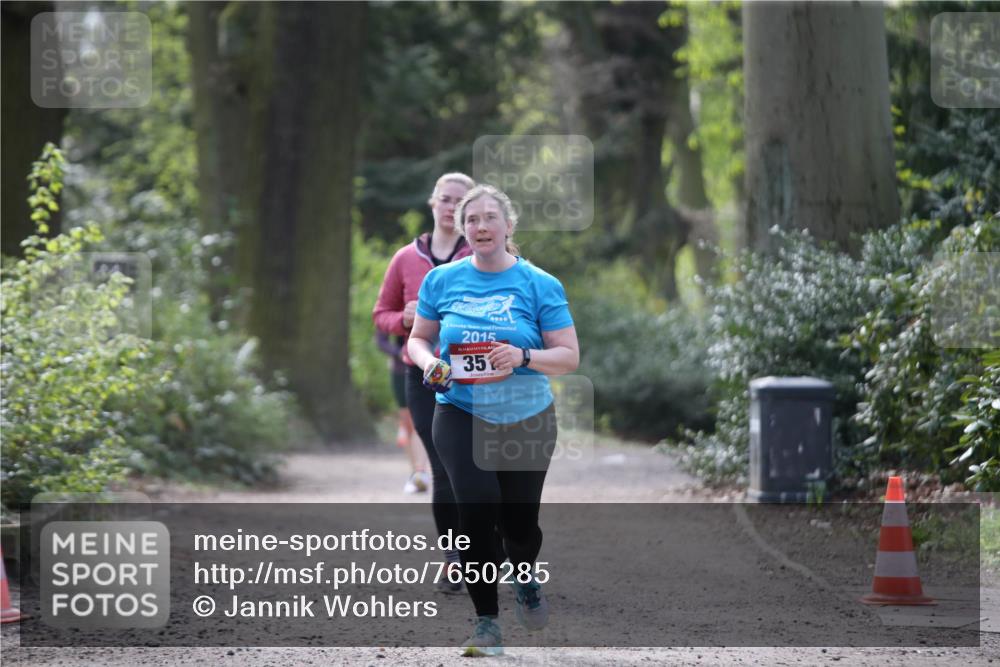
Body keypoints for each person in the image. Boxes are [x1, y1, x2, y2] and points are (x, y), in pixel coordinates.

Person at [408, 184, 580, 657]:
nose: (481, 227)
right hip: (460, 411)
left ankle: (524, 576)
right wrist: (428, 363)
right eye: (472, 220)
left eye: (490, 218)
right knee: (476, 510)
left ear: (508, 226)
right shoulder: (441, 280)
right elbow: (418, 340)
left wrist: (522, 354)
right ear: (463, 229)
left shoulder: (539, 283)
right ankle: (486, 622)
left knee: (520, 526)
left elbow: (568, 357)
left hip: (526, 418)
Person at [373, 172, 475, 591]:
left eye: (460, 202)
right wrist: (405, 319)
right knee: (443, 467)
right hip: (422, 374)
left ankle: (488, 548)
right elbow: (381, 315)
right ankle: (455, 558)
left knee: (478, 468)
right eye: (446, 199)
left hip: (475, 375)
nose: (451, 208)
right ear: (432, 203)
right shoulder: (405, 259)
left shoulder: (481, 255)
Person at [374, 329, 429, 493]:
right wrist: (400, 352)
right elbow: (381, 340)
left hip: (428, 365)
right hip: (401, 370)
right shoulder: (394, 305)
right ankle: (417, 472)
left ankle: (422, 471)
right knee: (408, 422)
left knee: (425, 421)